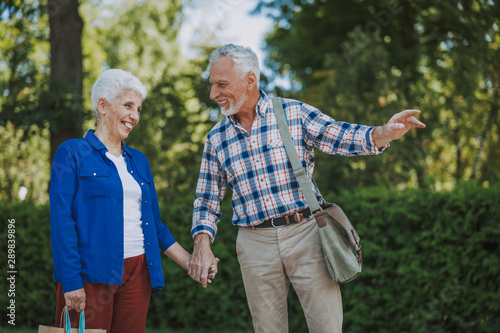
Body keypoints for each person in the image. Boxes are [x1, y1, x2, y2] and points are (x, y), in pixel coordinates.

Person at [187, 44, 426, 332]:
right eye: (212, 85)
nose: (213, 94)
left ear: (249, 80)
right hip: (254, 244)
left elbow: (340, 135)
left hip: (306, 232)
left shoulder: (292, 112)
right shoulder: (216, 138)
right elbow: (206, 198)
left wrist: (383, 133)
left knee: (326, 326)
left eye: (221, 84)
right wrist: (202, 242)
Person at [50, 69, 215, 333]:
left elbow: (154, 225)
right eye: (128, 106)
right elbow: (61, 222)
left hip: (138, 273)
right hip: (91, 275)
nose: (135, 117)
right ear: (102, 105)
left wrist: (191, 262)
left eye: (138, 109)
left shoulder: (139, 161)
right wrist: (70, 281)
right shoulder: (72, 152)